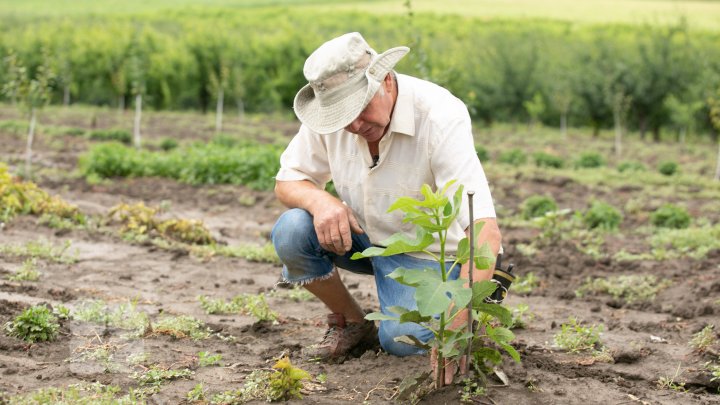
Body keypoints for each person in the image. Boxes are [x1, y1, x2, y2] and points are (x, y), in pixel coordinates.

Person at [271, 32, 501, 383]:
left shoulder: (439, 115)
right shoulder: (333, 119)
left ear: (387, 80)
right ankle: (352, 322)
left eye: (361, 108)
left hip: (426, 252)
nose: (355, 125)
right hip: (363, 238)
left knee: (403, 341)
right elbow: (287, 181)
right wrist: (321, 200)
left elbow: (483, 229)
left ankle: (479, 303)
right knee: (292, 231)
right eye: (342, 116)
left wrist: (456, 326)